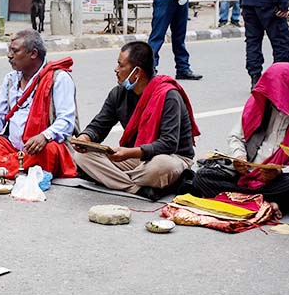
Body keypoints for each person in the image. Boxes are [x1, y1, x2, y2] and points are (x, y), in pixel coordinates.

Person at [192, 63, 289, 214]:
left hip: (279, 181)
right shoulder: (260, 102)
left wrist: (279, 172)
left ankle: (242, 200)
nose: (275, 101)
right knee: (202, 177)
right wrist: (239, 157)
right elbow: (235, 136)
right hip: (247, 174)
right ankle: (264, 203)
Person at [72, 41, 200, 200]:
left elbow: (168, 143)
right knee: (82, 157)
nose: (116, 70)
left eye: (121, 65)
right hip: (136, 158)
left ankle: (114, 179)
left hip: (171, 157)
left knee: (160, 166)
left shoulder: (168, 95)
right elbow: (99, 125)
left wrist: (129, 153)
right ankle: (139, 188)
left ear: (136, 72)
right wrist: (85, 138)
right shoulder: (118, 94)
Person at [0, 29, 77, 179]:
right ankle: (17, 170)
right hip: (12, 148)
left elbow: (66, 122)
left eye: (15, 51)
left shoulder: (59, 78)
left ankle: (6, 169)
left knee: (49, 151)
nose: (9, 56)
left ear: (33, 54)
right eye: (9, 50)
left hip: (40, 147)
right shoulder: (10, 79)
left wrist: (45, 136)